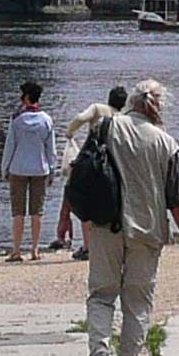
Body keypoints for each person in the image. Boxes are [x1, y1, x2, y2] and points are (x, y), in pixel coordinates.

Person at [74, 78, 179, 356]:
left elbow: (81, 171)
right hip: (148, 232)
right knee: (138, 303)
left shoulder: (105, 128)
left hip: (106, 226)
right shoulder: (165, 143)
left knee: (101, 295)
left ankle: (99, 348)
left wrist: (68, 216)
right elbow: (176, 197)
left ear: (131, 102)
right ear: (159, 105)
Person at [53, 85, 128, 257]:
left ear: (109, 98)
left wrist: (70, 134)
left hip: (93, 162)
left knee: (85, 199)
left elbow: (80, 118)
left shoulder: (98, 109)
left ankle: (87, 247)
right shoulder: (123, 118)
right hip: (114, 165)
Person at [0, 81, 60, 261]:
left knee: (18, 211)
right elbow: (52, 149)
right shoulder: (46, 120)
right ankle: (35, 249)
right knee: (37, 211)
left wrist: (5, 169)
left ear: (26, 97)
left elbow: (10, 146)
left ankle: (17, 250)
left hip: (18, 167)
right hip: (40, 168)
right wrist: (52, 170)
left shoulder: (17, 119)